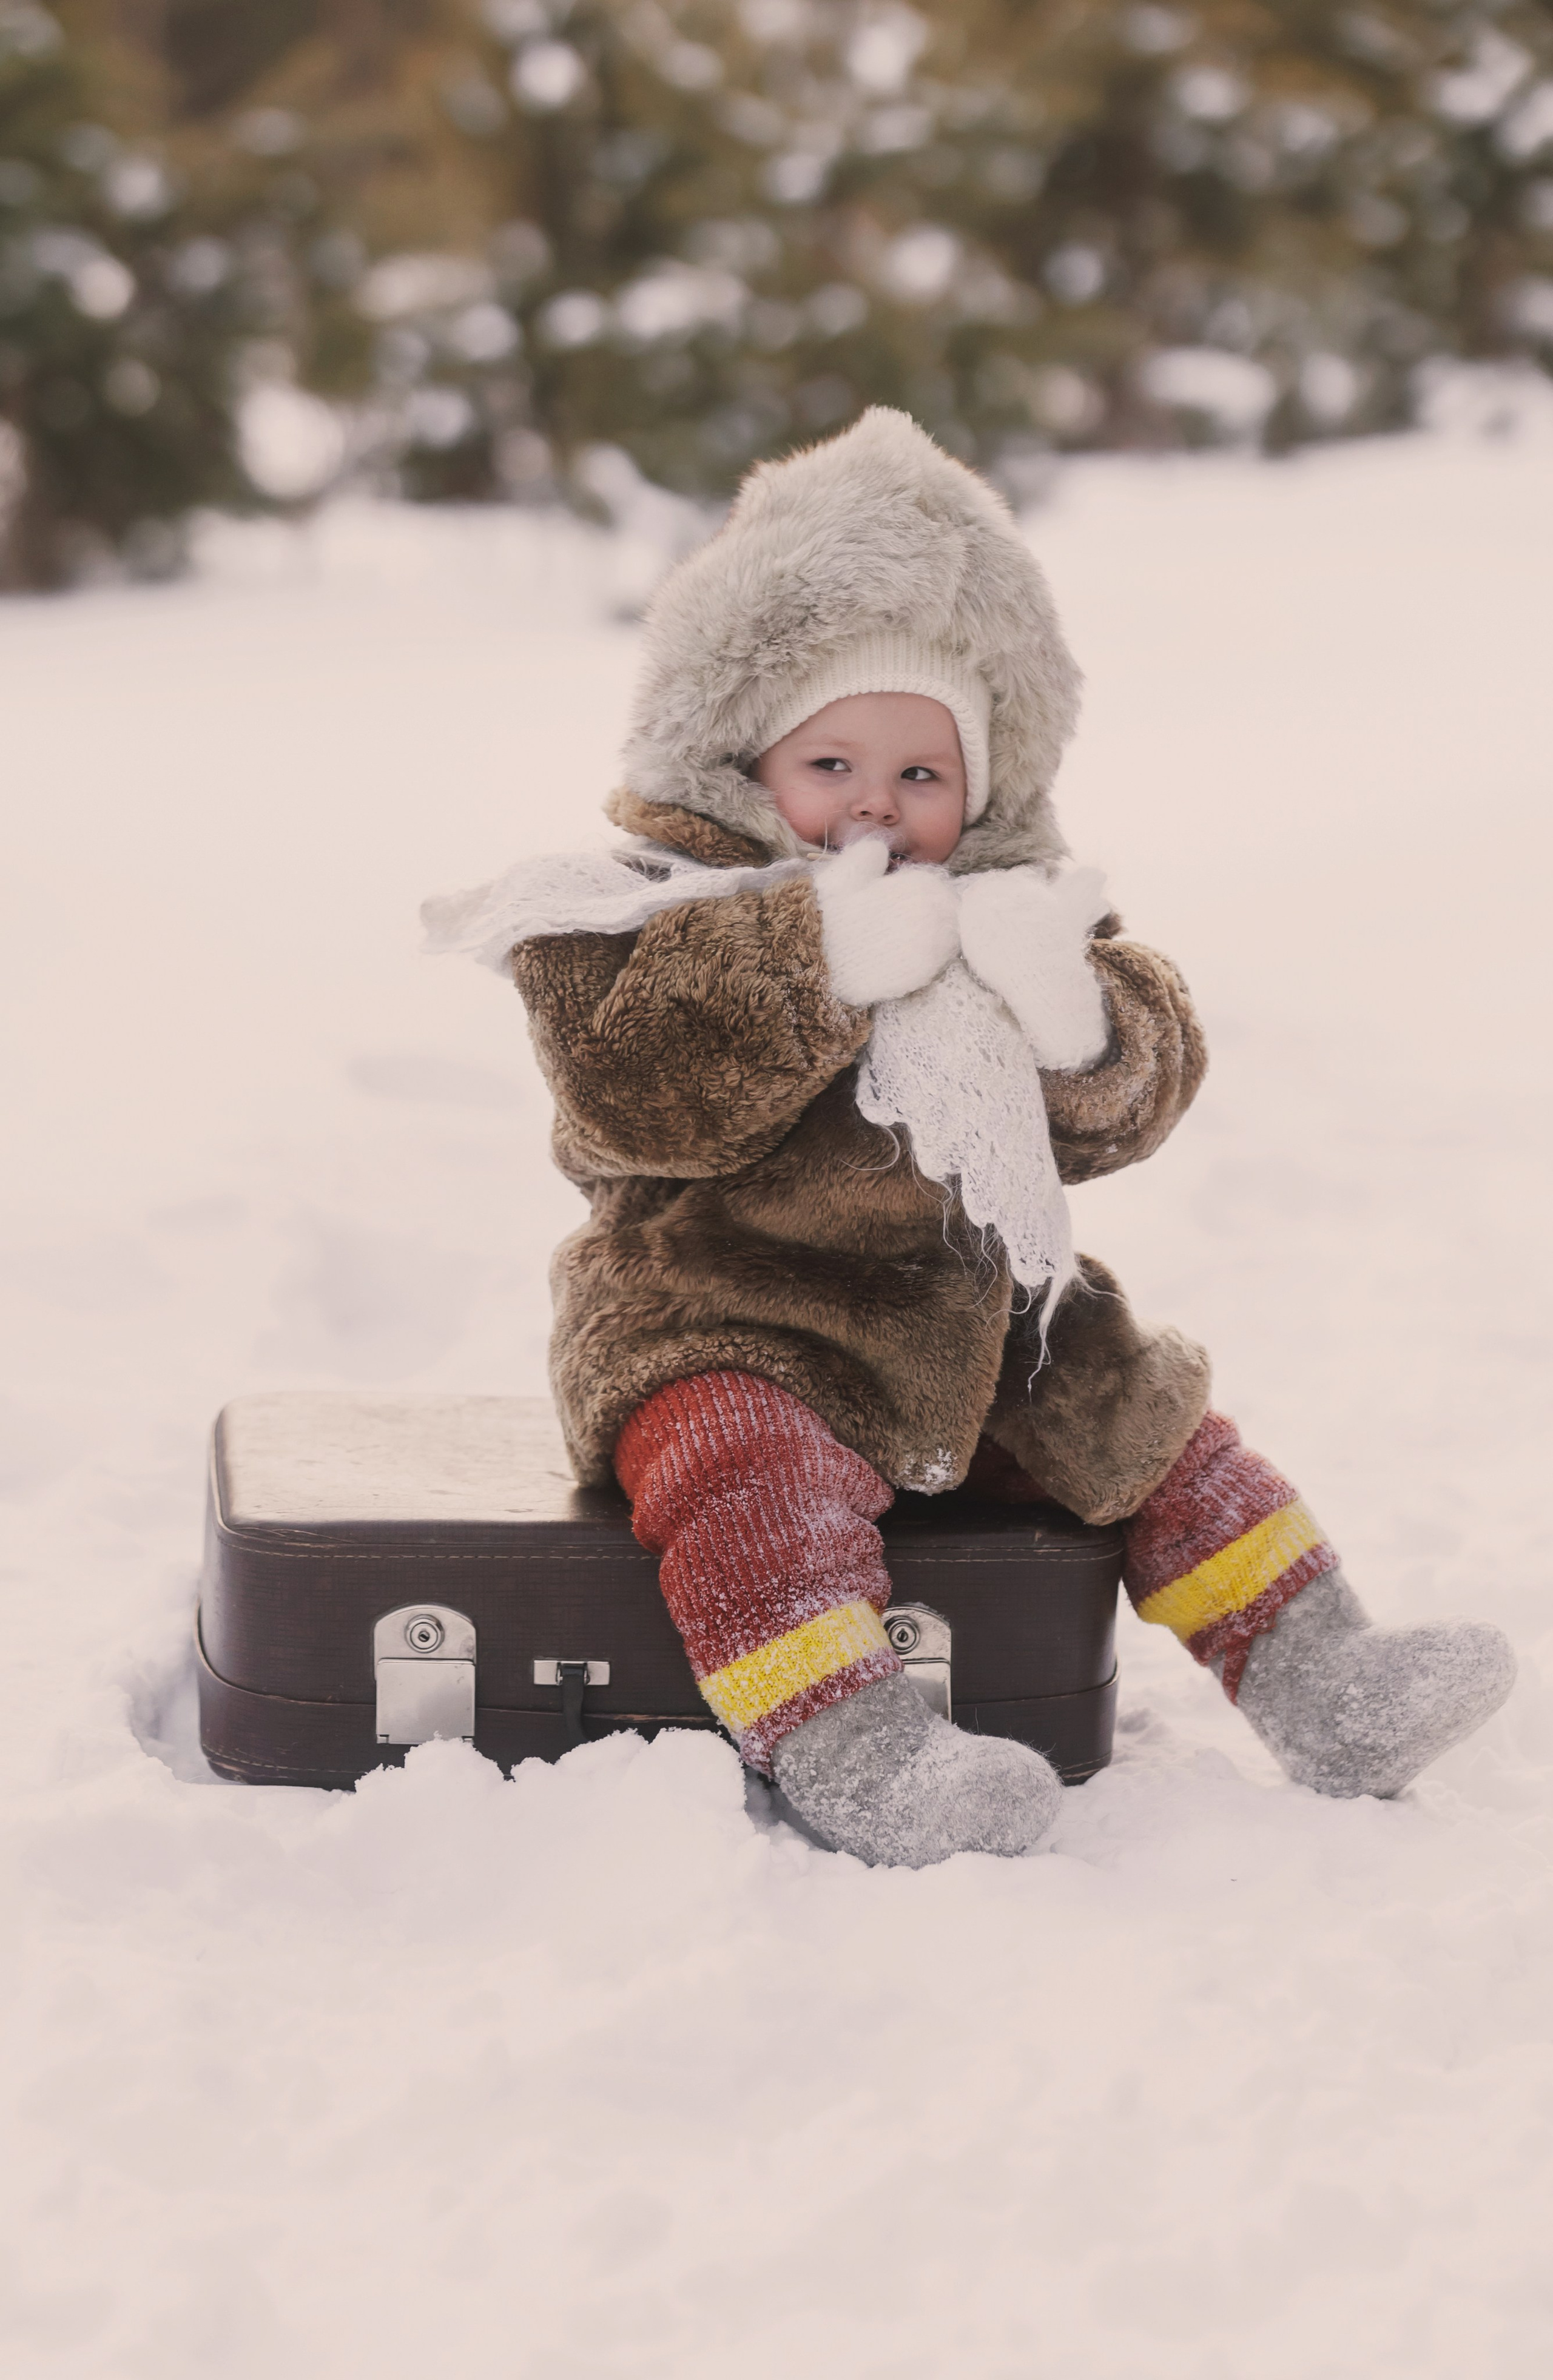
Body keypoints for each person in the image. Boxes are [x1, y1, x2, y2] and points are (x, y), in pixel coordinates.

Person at [430, 408, 1515, 1866]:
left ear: (980, 797)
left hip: (969, 1316)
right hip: (718, 1316)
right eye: (832, 766)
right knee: (747, 1472)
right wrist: (812, 961)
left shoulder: (1001, 919)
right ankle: (855, 1748)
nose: (877, 803)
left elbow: (1137, 1091)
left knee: (1144, 1419)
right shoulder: (633, 913)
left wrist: (1073, 1019)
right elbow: (631, 1092)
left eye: (923, 777)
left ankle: (1320, 1675)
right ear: (746, 766)